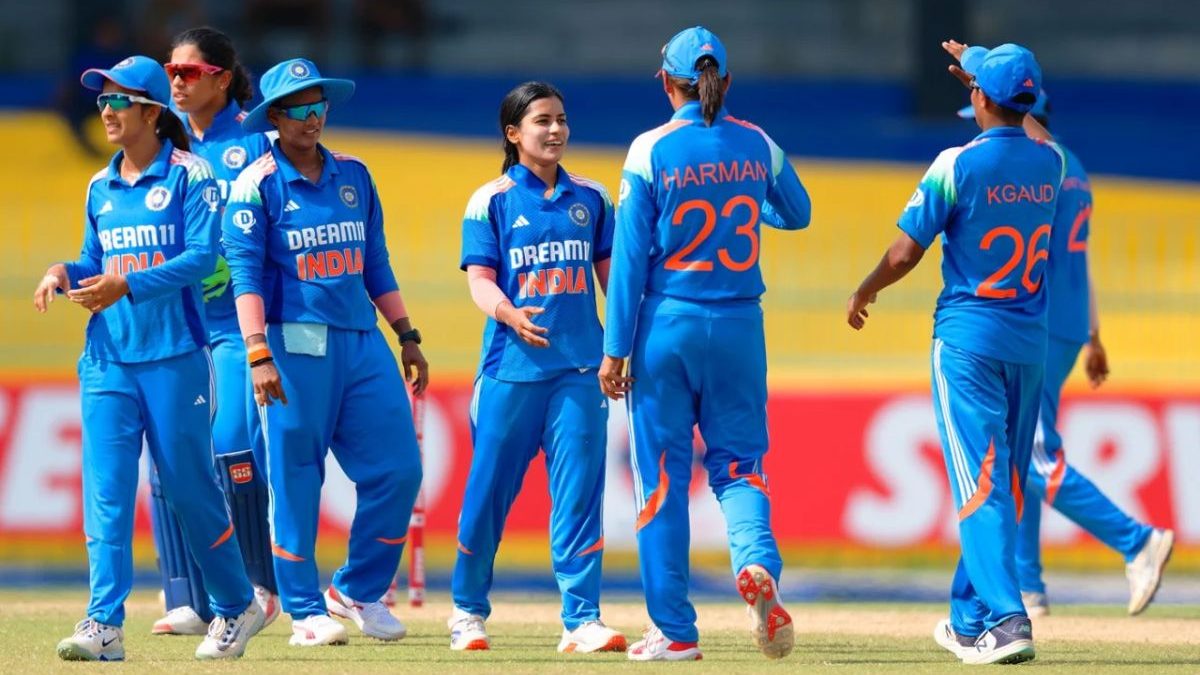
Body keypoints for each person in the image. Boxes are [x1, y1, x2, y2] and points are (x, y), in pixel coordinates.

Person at [33, 55, 263, 662]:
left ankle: (236, 603)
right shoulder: (98, 185)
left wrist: (125, 285)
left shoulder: (190, 176)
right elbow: (93, 258)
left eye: (118, 100)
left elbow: (200, 258)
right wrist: (64, 273)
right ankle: (103, 624)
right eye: (102, 100)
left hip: (175, 358)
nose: (106, 110)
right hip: (108, 361)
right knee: (106, 495)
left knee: (190, 490)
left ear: (152, 110)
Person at [847, 41, 1065, 665]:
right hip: (1029, 345)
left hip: (969, 342)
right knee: (1005, 482)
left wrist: (865, 289)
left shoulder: (956, 163)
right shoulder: (1050, 163)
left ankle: (1006, 617)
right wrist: (993, 78)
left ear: (978, 98)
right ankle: (970, 620)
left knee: (980, 484)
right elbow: (1032, 128)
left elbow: (904, 253)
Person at [599, 26, 812, 662]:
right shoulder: (756, 141)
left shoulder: (649, 150)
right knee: (741, 465)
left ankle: (675, 631)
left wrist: (615, 350)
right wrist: (748, 202)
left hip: (668, 324)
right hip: (741, 327)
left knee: (663, 479)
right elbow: (796, 211)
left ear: (666, 83)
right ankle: (757, 563)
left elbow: (630, 262)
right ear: (724, 79)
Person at [222, 57, 428, 647]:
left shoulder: (355, 174)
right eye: (297, 109)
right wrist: (257, 353)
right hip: (292, 344)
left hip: (362, 344)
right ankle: (304, 606)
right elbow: (245, 276)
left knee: (399, 471)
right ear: (275, 117)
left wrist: (406, 333)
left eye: (319, 106)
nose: (311, 118)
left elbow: (375, 262)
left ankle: (357, 589)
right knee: (295, 479)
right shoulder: (256, 183)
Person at [955, 92, 1175, 618]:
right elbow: (1079, 256)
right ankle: (1028, 588)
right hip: (1068, 323)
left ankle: (1137, 541)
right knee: (1020, 454)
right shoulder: (1067, 165)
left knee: (1033, 456)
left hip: (1038, 324)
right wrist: (1095, 334)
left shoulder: (1031, 169)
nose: (980, 129)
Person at [450, 81, 625, 655]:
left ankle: (582, 619)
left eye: (561, 120)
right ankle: (467, 612)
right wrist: (508, 312)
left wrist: (619, 349)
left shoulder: (593, 198)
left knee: (579, 495)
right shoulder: (491, 199)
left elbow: (611, 282)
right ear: (513, 133)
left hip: (579, 370)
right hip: (510, 371)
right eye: (541, 121)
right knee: (488, 496)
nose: (555, 130)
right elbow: (479, 279)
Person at [147, 25, 279, 638]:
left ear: (222, 78)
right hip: (177, 329)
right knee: (168, 456)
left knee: (230, 445)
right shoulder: (159, 144)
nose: (176, 80)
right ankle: (185, 596)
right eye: (170, 70)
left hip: (233, 326)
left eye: (189, 71)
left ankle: (259, 586)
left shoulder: (256, 139)